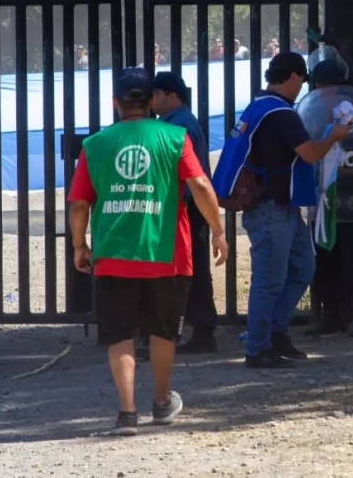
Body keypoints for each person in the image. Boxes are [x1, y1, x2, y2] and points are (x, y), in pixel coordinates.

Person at [67, 67, 227, 435]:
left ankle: (126, 414)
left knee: (119, 335)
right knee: (163, 332)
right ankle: (160, 402)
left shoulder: (96, 144)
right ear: (152, 101)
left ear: (116, 103)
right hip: (166, 255)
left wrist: (80, 245)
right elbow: (200, 185)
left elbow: (78, 204)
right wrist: (218, 231)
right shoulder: (175, 137)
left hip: (113, 255)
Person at [212, 51, 352, 368]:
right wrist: (335, 135)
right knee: (269, 280)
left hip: (281, 207)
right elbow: (311, 154)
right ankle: (258, 349)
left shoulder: (259, 106)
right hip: (271, 209)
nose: (302, 85)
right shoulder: (281, 113)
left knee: (303, 266)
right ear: (292, 76)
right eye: (301, 79)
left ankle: (275, 333)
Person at [304, 50, 353, 338]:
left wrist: (349, 138)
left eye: (325, 87)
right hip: (323, 198)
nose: (322, 93)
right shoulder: (312, 113)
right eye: (319, 88)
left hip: (352, 194)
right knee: (324, 257)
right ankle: (330, 315)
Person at [151, 72, 219, 353]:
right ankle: (194, 329)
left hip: (185, 207)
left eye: (156, 94)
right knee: (187, 268)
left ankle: (199, 330)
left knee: (189, 270)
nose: (151, 99)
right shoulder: (174, 123)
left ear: (173, 96)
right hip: (184, 205)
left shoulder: (179, 126)